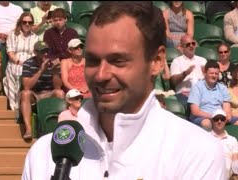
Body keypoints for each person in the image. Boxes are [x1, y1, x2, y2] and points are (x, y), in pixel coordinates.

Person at [22, 2, 226, 179]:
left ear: (156, 62)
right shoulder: (44, 154)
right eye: (92, 60)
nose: (101, 74)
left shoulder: (197, 152)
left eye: (118, 61)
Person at [20, 41, 64, 140]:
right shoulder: (28, 63)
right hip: (34, 94)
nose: (45, 54)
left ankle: (59, 127)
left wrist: (55, 72)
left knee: (60, 93)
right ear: (35, 52)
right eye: (42, 52)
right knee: (25, 94)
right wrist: (41, 70)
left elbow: (58, 86)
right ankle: (28, 129)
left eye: (47, 51)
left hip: (48, 93)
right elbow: (26, 86)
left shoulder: (52, 63)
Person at [188, 61, 238, 131]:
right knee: (207, 123)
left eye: (216, 74)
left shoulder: (222, 88)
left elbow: (226, 108)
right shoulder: (197, 87)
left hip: (221, 117)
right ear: (205, 73)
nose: (214, 76)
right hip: (203, 117)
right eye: (211, 73)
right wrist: (215, 117)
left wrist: (225, 116)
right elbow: (195, 111)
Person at [3, 12, 38, 111]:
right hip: (16, 61)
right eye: (24, 22)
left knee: (27, 72)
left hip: (30, 62)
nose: (27, 24)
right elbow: (10, 51)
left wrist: (28, 64)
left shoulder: (34, 37)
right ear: (20, 23)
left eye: (30, 23)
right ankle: (15, 106)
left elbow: (35, 53)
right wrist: (19, 62)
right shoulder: (13, 34)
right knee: (17, 70)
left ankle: (23, 104)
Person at [170, 35, 207, 109]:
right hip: (184, 94)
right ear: (182, 47)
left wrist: (206, 75)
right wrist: (185, 74)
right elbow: (173, 81)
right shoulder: (177, 61)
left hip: (202, 94)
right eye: (188, 44)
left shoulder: (203, 60)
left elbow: (210, 81)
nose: (191, 46)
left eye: (193, 43)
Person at [209, 109, 238, 179]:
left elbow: (235, 159)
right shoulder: (206, 137)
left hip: (227, 175)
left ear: (225, 121)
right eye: (216, 119)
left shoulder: (232, 140)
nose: (219, 121)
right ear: (212, 121)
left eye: (222, 119)